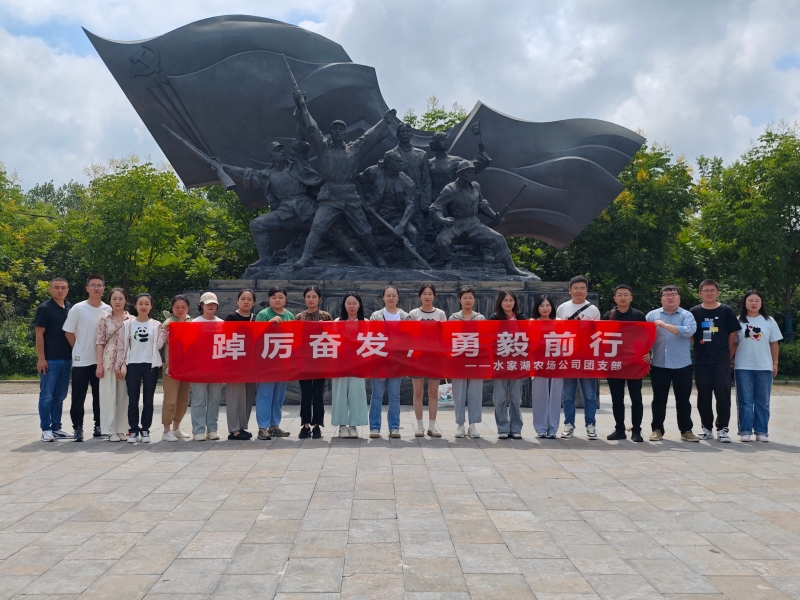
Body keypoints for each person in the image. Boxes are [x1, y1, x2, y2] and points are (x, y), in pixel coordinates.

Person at [292, 90, 395, 268]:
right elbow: (312, 129)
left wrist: (384, 121)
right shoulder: (323, 147)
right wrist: (302, 106)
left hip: (349, 195)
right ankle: (306, 257)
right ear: (331, 132)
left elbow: (369, 137)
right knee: (318, 226)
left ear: (345, 133)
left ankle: (378, 258)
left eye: (341, 129)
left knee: (364, 231)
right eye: (335, 129)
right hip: (330, 195)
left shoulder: (354, 149)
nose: (338, 131)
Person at [429, 161, 527, 275]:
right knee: (441, 241)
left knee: (499, 239)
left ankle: (510, 267)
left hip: (473, 223)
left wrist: (494, 216)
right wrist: (442, 219)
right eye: (469, 172)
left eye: (473, 172)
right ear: (460, 174)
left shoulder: (476, 186)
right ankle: (448, 262)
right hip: (456, 223)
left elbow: (482, 204)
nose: (472, 174)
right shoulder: (450, 189)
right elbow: (436, 207)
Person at [646, 285, 699, 442]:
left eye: (673, 294)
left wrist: (665, 325)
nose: (670, 297)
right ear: (661, 298)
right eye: (666, 294)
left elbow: (690, 330)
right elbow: (644, 337)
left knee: (683, 400)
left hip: (682, 364)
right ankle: (657, 429)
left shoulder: (686, 315)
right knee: (658, 399)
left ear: (679, 298)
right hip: (659, 363)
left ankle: (686, 430)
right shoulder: (652, 315)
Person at [690, 279, 740, 443]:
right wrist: (699, 347)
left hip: (721, 360)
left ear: (718, 292)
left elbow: (733, 333)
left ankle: (723, 429)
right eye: (706, 290)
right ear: (700, 293)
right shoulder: (694, 311)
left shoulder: (726, 310)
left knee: (723, 395)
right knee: (703, 395)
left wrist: (727, 351)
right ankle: (706, 428)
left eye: (712, 290)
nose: (709, 293)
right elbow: (691, 333)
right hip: (702, 360)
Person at [63, 274, 110, 441]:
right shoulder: (78, 308)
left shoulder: (108, 309)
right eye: (93, 285)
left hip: (101, 361)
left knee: (100, 395)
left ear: (104, 288)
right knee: (78, 396)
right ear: (87, 288)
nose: (96, 288)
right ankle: (78, 427)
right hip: (81, 359)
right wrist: (78, 347)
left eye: (99, 285)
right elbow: (68, 332)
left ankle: (99, 426)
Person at [115, 293, 166, 444]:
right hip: (133, 364)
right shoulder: (127, 324)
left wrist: (164, 333)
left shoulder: (156, 324)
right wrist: (119, 364)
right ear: (135, 306)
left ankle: (145, 429)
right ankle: (133, 430)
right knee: (133, 400)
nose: (144, 306)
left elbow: (158, 345)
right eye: (141, 303)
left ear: (151, 306)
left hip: (150, 365)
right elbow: (121, 346)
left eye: (147, 303)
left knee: (148, 399)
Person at [733, 290, 782, 442]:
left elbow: (774, 343)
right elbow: (734, 343)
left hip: (764, 366)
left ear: (761, 303)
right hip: (743, 366)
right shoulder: (738, 321)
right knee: (745, 401)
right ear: (745, 303)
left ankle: (761, 431)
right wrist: (730, 360)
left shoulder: (769, 321)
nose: (753, 303)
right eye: (750, 300)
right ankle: (745, 431)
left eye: (757, 301)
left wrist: (775, 363)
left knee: (763, 401)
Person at [556, 276, 601, 440]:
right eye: (576, 288)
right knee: (568, 395)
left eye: (582, 288)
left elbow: (598, 334)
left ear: (587, 290)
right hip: (568, 357)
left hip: (587, 357)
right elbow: (558, 331)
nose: (579, 291)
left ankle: (591, 425)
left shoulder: (593, 310)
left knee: (590, 395)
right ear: (569, 290)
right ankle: (569, 424)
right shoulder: (562, 308)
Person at [603, 284, 648, 443]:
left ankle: (636, 431)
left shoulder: (639, 316)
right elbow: (602, 338)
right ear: (615, 298)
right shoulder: (609, 315)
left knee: (636, 398)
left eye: (625, 294)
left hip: (634, 363)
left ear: (631, 297)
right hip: (615, 362)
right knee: (617, 399)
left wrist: (647, 353)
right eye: (619, 295)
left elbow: (645, 337)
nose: (622, 297)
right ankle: (619, 429)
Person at [369, 286, 410, 438]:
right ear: (383, 298)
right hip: (378, 360)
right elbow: (371, 336)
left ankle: (394, 427)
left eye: (394, 295)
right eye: (388, 295)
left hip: (396, 362)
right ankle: (374, 427)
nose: (391, 298)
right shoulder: (376, 316)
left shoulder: (405, 317)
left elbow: (409, 339)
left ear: (398, 297)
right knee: (376, 395)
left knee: (394, 396)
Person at [35, 277, 72, 442]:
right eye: (56, 287)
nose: (60, 290)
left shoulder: (70, 308)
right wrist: (41, 358)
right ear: (50, 289)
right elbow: (39, 334)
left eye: (63, 287)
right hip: (50, 360)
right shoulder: (44, 308)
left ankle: (57, 428)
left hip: (67, 359)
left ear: (67, 290)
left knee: (60, 396)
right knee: (47, 396)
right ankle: (46, 429)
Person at [255, 286, 294, 440]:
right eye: (274, 297)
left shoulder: (289, 315)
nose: (277, 300)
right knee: (265, 394)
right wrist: (269, 324)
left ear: (286, 299)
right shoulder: (263, 314)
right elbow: (256, 335)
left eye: (280, 297)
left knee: (278, 396)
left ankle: (274, 425)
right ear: (268, 299)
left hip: (283, 361)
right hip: (266, 362)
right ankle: (263, 427)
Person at [408, 283, 447, 438]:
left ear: (434, 296)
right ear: (420, 296)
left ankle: (432, 426)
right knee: (418, 392)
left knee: (433, 392)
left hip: (435, 357)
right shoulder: (413, 314)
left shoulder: (440, 314)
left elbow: (445, 335)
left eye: (430, 293)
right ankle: (419, 426)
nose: (427, 296)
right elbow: (407, 334)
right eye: (424, 293)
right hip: (417, 356)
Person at [295, 285, 332, 440]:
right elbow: (295, 339)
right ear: (304, 299)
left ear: (319, 299)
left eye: (314, 296)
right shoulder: (299, 317)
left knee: (317, 394)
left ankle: (317, 425)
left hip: (320, 361)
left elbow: (332, 338)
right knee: (305, 394)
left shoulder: (326, 316)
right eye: (308, 296)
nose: (311, 299)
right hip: (304, 361)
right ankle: (305, 425)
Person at [95, 288, 131, 442]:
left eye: (121, 298)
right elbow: (99, 342)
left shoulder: (132, 319)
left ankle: (122, 428)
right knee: (108, 396)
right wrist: (99, 365)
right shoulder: (104, 319)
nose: (117, 301)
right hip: (108, 362)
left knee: (123, 397)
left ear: (126, 300)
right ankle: (109, 430)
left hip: (125, 362)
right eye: (114, 298)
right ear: (109, 301)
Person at [331, 293, 369, 438]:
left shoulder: (366, 322)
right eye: (349, 303)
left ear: (359, 305)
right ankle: (342, 425)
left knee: (357, 394)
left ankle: (354, 425)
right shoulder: (337, 322)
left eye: (354, 303)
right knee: (339, 394)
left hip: (359, 364)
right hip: (340, 364)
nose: (351, 306)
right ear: (344, 305)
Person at [449, 286, 485, 439]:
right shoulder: (453, 318)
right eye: (465, 298)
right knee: (459, 394)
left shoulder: (480, 318)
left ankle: (473, 425)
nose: (468, 300)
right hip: (458, 360)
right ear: (460, 300)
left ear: (474, 300)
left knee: (475, 393)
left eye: (470, 297)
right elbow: (448, 338)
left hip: (476, 361)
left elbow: (485, 339)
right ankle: (460, 424)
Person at [489, 290, 524, 439]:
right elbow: (490, 338)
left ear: (515, 302)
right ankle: (502, 427)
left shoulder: (521, 318)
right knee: (500, 397)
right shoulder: (494, 318)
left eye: (511, 300)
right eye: (505, 300)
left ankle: (516, 427)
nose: (508, 303)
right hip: (500, 362)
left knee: (516, 397)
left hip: (517, 362)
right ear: (500, 302)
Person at [224, 290, 257, 441]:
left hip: (250, 363)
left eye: (249, 299)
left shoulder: (255, 319)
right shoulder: (231, 317)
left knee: (247, 396)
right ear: (237, 301)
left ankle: (242, 426)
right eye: (243, 299)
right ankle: (234, 430)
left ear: (253, 302)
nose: (246, 302)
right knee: (234, 396)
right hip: (234, 362)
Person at [191, 292, 224, 441]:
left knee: (214, 399)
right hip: (199, 366)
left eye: (213, 304)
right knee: (198, 399)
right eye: (207, 303)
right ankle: (198, 430)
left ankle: (212, 429)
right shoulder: (194, 323)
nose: (211, 306)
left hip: (217, 366)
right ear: (201, 305)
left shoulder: (222, 323)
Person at [161, 295, 193, 441]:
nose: (180, 310)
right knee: (170, 400)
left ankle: (176, 428)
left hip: (187, 367)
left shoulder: (192, 322)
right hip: (171, 366)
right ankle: (166, 430)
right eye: (177, 307)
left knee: (183, 400)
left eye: (183, 307)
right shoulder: (168, 323)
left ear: (188, 308)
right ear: (172, 308)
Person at [531, 294, 562, 439]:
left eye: (547, 305)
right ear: (537, 308)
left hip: (557, 364)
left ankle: (553, 429)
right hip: (538, 364)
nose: (545, 308)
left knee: (555, 396)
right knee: (540, 396)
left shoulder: (559, 322)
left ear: (552, 307)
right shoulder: (531, 323)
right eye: (541, 305)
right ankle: (541, 428)